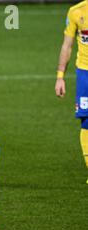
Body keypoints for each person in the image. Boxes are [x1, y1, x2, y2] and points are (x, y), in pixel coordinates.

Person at [55, 0, 88, 184]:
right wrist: (60, 76)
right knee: (86, 121)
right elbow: (67, 46)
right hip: (85, 73)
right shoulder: (76, 11)